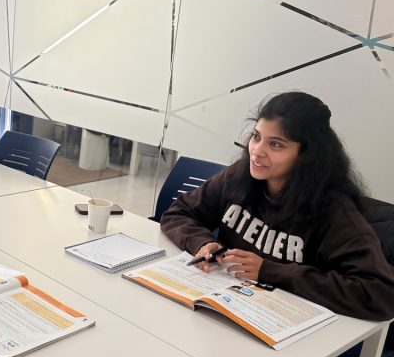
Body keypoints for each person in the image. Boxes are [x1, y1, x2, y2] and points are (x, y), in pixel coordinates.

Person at [161, 90, 394, 321]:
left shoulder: (335, 213)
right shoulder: (239, 177)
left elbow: (381, 294)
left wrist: (269, 271)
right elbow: (179, 212)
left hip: (290, 331)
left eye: (276, 144)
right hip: (224, 310)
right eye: (256, 136)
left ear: (306, 155)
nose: (257, 151)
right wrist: (204, 242)